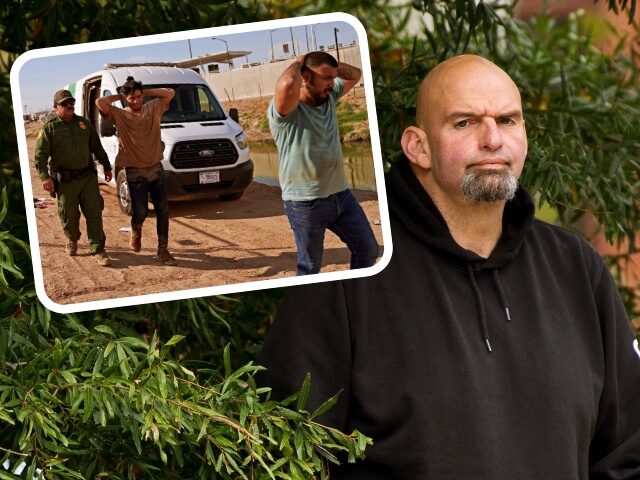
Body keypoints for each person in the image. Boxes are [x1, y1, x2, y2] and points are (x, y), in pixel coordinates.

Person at [259, 55, 640, 479]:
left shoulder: (575, 269)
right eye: (465, 122)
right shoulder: (348, 283)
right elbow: (289, 456)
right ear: (418, 146)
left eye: (509, 120)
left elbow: (627, 450)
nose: (493, 139)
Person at [267, 51, 379, 275]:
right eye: (326, 78)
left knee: (368, 250)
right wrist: (300, 60)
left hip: (341, 196)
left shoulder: (328, 96)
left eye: (333, 77)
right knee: (310, 267)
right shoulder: (287, 111)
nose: (333, 83)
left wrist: (332, 70)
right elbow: (289, 81)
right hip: (305, 204)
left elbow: (355, 74)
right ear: (306, 77)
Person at [96, 76, 177, 265]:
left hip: (156, 168)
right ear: (126, 99)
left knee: (163, 211)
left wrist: (144, 91)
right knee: (140, 212)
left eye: (139, 97)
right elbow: (100, 102)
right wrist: (123, 95)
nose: (136, 101)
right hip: (134, 171)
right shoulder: (120, 114)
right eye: (132, 98)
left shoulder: (153, 107)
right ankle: (136, 230)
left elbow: (170, 93)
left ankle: (162, 250)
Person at [35, 89, 113, 267]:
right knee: (68, 216)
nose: (69, 106)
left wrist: (107, 166)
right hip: (65, 181)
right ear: (56, 107)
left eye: (71, 102)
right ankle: (72, 239)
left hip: (87, 178)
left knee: (94, 213)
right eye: (64, 103)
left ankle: (98, 249)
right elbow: (40, 155)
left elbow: (97, 147)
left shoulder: (84, 124)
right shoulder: (50, 128)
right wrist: (45, 178)